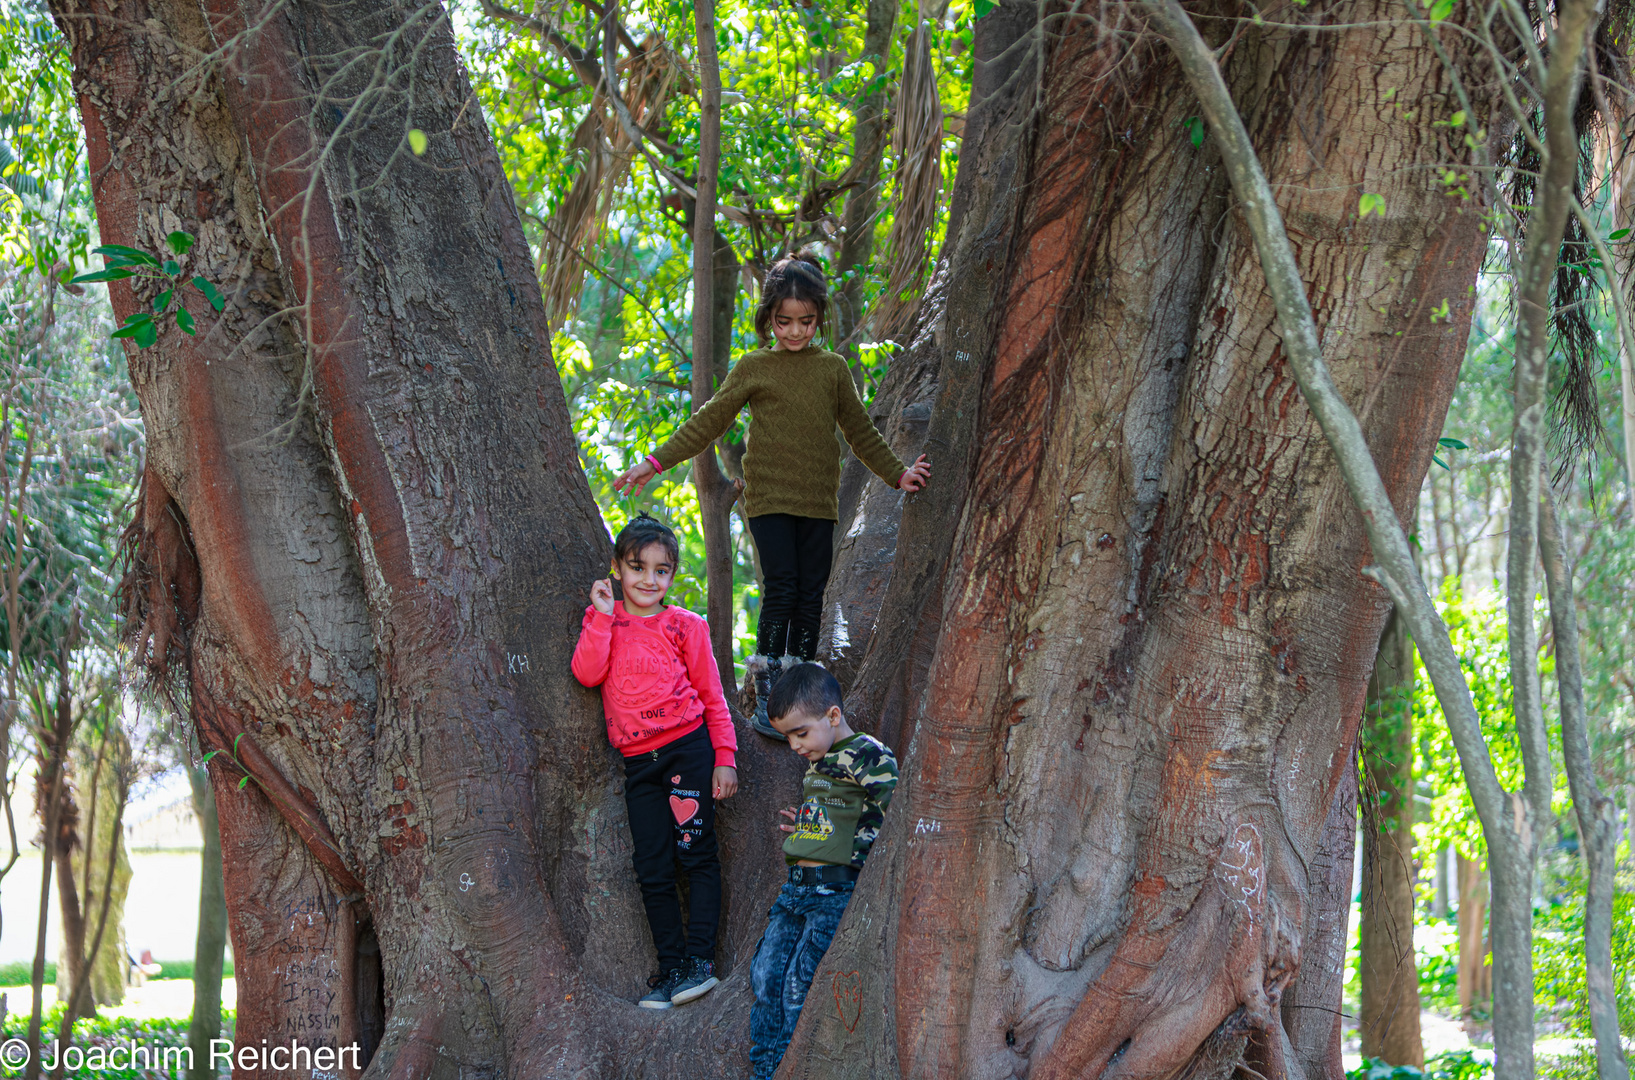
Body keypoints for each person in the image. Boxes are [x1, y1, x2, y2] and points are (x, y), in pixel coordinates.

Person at [612, 254, 931, 737]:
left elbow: (860, 430)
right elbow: (710, 420)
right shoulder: (755, 366)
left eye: (805, 322)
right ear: (769, 319)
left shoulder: (832, 370)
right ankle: (767, 689)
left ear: (819, 318)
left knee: (810, 593)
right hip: (769, 501)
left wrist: (897, 474)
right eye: (784, 322)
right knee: (781, 586)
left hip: (818, 503)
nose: (795, 332)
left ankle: (799, 688)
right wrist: (654, 462)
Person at [570, 513, 739, 1009]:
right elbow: (586, 673)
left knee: (697, 852)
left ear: (671, 575)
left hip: (688, 749)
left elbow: (713, 696)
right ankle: (669, 971)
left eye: (661, 570)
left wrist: (724, 757)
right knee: (651, 865)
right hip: (638, 763)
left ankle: (698, 965)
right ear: (617, 569)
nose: (649, 579)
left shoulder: (686, 626)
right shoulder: (604, 619)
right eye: (637, 567)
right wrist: (602, 615)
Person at [749, 663, 897, 1078]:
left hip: (833, 892)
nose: (795, 745)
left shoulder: (868, 754)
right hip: (795, 890)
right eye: (787, 737)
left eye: (800, 733)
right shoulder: (821, 759)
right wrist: (811, 826)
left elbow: (886, 813)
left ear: (833, 716)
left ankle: (789, 1068)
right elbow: (841, 813)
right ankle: (763, 1068)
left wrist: (854, 854)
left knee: (799, 983)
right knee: (765, 975)